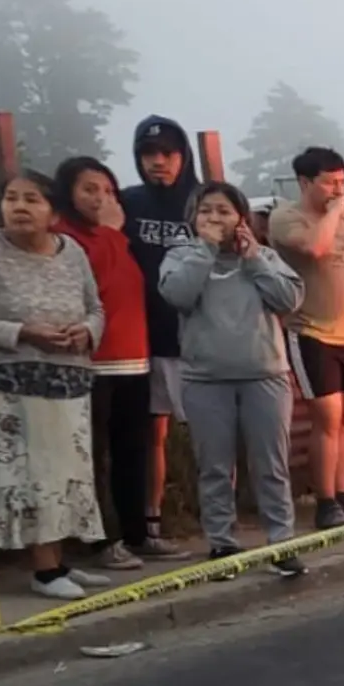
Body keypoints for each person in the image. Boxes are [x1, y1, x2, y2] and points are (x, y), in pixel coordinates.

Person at [158, 182, 308, 577]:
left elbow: (289, 300)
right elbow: (177, 295)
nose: (215, 218)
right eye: (206, 211)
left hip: (265, 375)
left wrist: (254, 258)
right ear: (193, 218)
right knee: (215, 466)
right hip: (205, 379)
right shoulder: (181, 256)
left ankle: (282, 541)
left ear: (241, 218)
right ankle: (223, 544)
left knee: (271, 464)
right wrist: (206, 251)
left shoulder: (265, 256)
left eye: (224, 211)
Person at [0, 171, 110, 599]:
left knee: (68, 475)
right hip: (14, 385)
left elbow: (96, 306)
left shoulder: (72, 251)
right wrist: (23, 332)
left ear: (54, 213)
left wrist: (86, 332)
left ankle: (59, 562)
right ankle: (43, 572)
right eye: (11, 198)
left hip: (70, 379)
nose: (19, 207)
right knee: (35, 476)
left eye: (31, 200)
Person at [269, 147, 344, 529]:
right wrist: (335, 212)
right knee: (328, 418)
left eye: (343, 182)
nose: (339, 189)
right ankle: (323, 502)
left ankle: (343, 494)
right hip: (314, 332)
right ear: (305, 183)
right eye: (330, 183)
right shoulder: (287, 217)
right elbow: (315, 249)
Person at [53, 156, 152, 571]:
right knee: (94, 456)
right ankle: (99, 540)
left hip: (134, 359)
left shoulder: (115, 237)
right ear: (69, 194)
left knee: (133, 453)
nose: (101, 198)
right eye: (90, 189)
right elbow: (96, 289)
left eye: (109, 190)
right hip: (93, 362)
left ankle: (138, 534)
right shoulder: (65, 239)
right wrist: (112, 233)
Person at [120, 115, 199, 560]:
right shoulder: (127, 203)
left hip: (196, 340)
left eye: (167, 154)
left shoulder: (202, 200)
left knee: (211, 434)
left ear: (183, 156)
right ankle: (150, 522)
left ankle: (218, 521)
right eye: (149, 154)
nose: (158, 162)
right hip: (143, 340)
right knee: (152, 435)